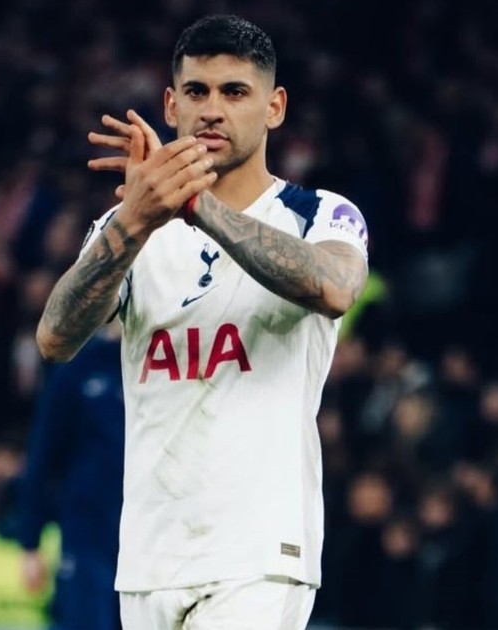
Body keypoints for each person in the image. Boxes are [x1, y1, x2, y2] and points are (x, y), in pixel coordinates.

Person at [36, 14, 369, 630]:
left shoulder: (319, 213)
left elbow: (334, 286)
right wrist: (134, 222)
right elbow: (55, 338)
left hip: (258, 554)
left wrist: (196, 204)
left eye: (235, 92)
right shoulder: (131, 228)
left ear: (274, 107)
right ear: (171, 105)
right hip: (149, 558)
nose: (212, 110)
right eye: (197, 91)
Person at [17, 324, 125, 630]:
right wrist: (30, 542)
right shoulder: (78, 368)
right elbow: (43, 456)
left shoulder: (159, 364)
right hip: (89, 533)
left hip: (148, 531)